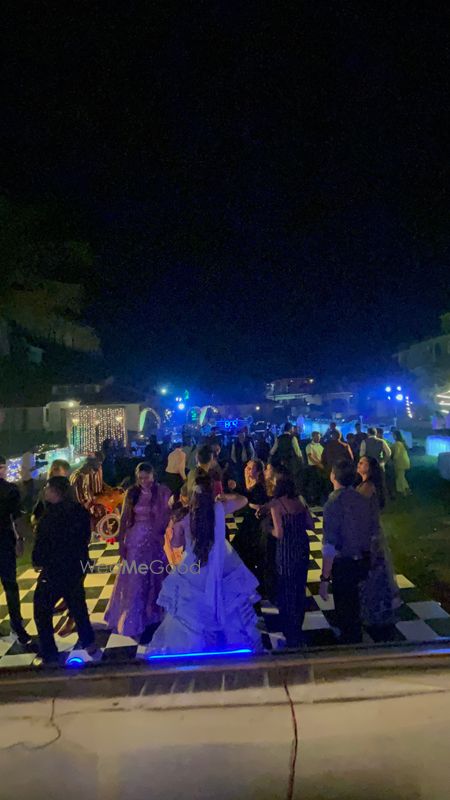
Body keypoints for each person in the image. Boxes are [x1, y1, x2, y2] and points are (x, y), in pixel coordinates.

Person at [145, 474, 262, 656]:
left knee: (193, 611)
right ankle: (230, 650)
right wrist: (222, 496)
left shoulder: (184, 517)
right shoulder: (219, 508)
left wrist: (175, 529)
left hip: (195, 568)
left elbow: (176, 544)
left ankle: (197, 649)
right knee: (230, 606)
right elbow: (243, 500)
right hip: (222, 564)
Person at [32, 476, 98, 665]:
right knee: (77, 605)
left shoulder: (49, 517)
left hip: (55, 569)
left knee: (41, 609)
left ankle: (49, 651)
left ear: (55, 492)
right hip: (76, 566)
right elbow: (85, 537)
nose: (45, 491)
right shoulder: (79, 511)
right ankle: (89, 643)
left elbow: (42, 544)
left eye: (47, 488)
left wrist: (38, 562)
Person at [104, 463, 171, 637]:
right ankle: (134, 618)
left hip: (155, 539)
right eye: (140, 478)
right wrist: (121, 543)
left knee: (155, 575)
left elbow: (168, 514)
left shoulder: (161, 491)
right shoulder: (132, 492)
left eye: (146, 478)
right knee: (135, 578)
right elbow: (124, 518)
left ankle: (154, 614)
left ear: (153, 475)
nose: (143, 481)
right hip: (136, 539)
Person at [320, 460, 378, 643]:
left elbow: (330, 544)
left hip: (343, 563)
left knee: (345, 607)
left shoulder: (333, 503)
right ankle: (356, 638)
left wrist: (324, 578)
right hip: (362, 559)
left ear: (333, 476)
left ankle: (349, 645)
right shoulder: (361, 499)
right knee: (355, 605)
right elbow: (372, 531)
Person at [356, 456, 401, 633]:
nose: (359, 464)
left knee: (373, 572)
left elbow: (362, 511)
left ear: (370, 468)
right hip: (372, 532)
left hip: (370, 535)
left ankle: (375, 612)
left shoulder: (367, 488)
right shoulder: (365, 485)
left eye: (362, 463)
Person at [270, 476, 311, 648]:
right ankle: (298, 627)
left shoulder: (277, 504)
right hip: (302, 546)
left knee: (286, 587)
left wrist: (268, 529)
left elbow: (279, 533)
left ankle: (290, 631)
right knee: (300, 587)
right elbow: (311, 525)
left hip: (287, 548)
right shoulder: (300, 501)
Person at [0, 456, 31, 645]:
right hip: (4, 540)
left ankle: (17, 625)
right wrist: (19, 539)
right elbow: (16, 517)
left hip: (5, 540)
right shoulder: (10, 490)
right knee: (10, 585)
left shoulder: (10, 489)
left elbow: (16, 517)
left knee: (10, 585)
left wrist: (19, 539)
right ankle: (17, 626)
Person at [231, 459, 268, 592]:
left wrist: (236, 488)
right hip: (250, 520)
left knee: (247, 550)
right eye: (246, 466)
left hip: (256, 523)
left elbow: (249, 496)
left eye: (250, 468)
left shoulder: (260, 486)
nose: (246, 469)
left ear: (258, 472)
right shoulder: (251, 483)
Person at [270, 422, 304, 491]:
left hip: (281, 463)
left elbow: (272, 451)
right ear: (290, 429)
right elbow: (298, 451)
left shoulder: (278, 438)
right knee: (291, 480)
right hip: (291, 463)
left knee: (282, 480)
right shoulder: (293, 438)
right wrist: (301, 459)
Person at [391, 430, 411, 496]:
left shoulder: (397, 444)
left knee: (400, 478)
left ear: (396, 436)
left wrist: (392, 459)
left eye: (393, 435)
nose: (393, 436)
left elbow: (396, 454)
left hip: (400, 463)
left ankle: (403, 491)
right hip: (404, 462)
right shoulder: (402, 443)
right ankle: (407, 489)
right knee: (402, 476)